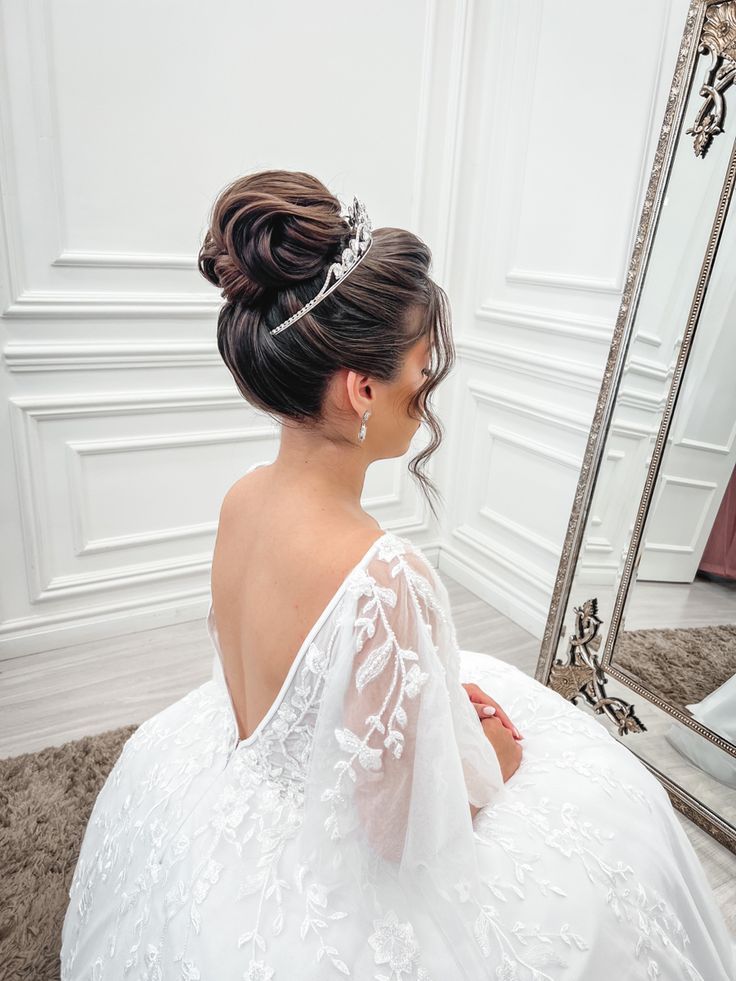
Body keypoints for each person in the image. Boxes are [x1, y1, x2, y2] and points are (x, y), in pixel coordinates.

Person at [60, 171, 735, 980]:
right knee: (619, 824)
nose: (428, 392)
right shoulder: (380, 574)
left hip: (245, 777)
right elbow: (402, 831)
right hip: (331, 875)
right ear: (363, 388)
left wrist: (435, 710)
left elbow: (287, 688)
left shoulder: (241, 500)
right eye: (424, 368)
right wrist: (491, 750)